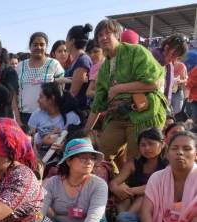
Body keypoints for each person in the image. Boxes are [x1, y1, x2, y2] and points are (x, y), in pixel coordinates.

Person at [86, 19, 166, 173]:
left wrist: (118, 88)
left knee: (136, 161)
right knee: (100, 154)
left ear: (118, 35)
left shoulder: (136, 51)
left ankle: (133, 191)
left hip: (144, 114)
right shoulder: (104, 68)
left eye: (107, 33)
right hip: (118, 117)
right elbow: (97, 105)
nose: (103, 38)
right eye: (100, 35)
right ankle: (116, 185)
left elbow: (154, 83)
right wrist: (85, 133)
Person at [116, 131, 197, 222]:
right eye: (174, 148)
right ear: (168, 153)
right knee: (124, 219)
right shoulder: (157, 177)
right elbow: (145, 212)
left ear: (195, 154)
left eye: (186, 148)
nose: (180, 152)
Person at [42, 138, 110, 222]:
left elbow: (93, 219)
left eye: (92, 158)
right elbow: (40, 213)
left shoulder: (99, 185)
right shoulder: (53, 182)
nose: (89, 161)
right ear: (68, 161)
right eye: (83, 158)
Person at [110, 128, 167, 214]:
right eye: (143, 145)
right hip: (131, 201)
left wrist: (130, 191)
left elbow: (156, 186)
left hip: (157, 204)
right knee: (120, 190)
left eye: (151, 144)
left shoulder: (168, 164)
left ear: (162, 144)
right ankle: (124, 220)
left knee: (144, 196)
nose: (147, 148)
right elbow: (114, 183)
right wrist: (117, 188)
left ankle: (125, 220)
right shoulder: (133, 163)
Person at [16, 32, 65, 125]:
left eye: (42, 44)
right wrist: (18, 119)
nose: (38, 47)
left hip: (48, 116)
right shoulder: (20, 66)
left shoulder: (54, 64)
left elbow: (60, 91)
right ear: (30, 47)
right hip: (24, 116)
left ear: (46, 47)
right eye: (35, 45)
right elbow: (14, 94)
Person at [28, 82, 81, 158]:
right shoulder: (37, 114)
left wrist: (65, 147)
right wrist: (41, 142)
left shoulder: (71, 117)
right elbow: (30, 139)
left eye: (41, 97)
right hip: (38, 157)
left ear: (52, 99)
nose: (38, 100)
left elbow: (78, 143)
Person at [150, 35, 189, 106]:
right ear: (166, 48)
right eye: (173, 54)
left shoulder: (169, 65)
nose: (174, 59)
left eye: (177, 57)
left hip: (158, 104)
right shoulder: (150, 58)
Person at [64, 24, 93, 115]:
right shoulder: (76, 60)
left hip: (79, 112)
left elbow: (73, 92)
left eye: (66, 40)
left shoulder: (83, 60)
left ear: (72, 41)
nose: (65, 43)